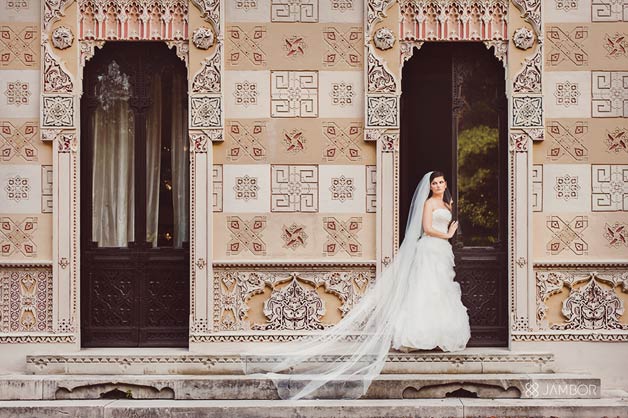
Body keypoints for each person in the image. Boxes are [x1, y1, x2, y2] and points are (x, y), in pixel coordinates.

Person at [243, 171, 471, 400]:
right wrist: (448, 233)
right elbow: (427, 228)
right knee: (426, 290)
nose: (438, 185)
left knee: (440, 291)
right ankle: (420, 335)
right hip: (431, 247)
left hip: (442, 252)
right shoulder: (430, 203)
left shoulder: (445, 203)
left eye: (441, 182)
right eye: (435, 183)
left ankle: (439, 335)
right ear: (430, 186)